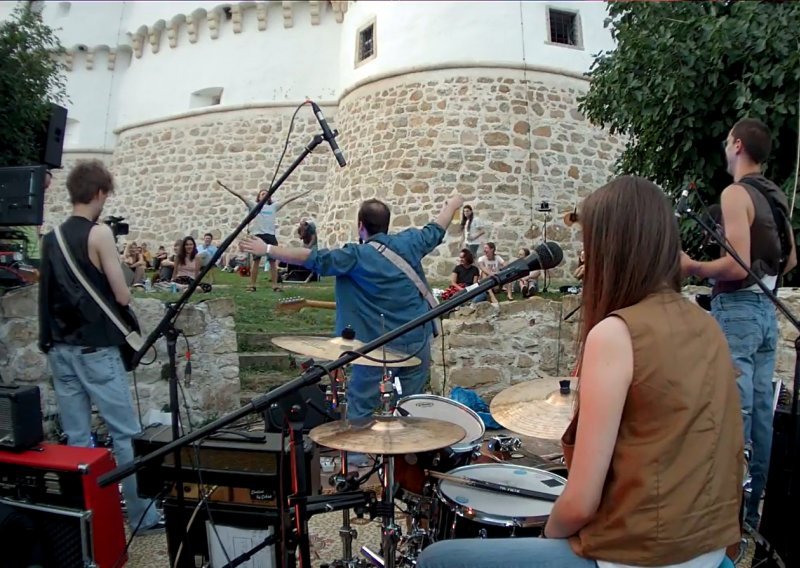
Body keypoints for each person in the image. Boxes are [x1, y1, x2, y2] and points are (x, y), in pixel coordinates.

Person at [418, 176, 744, 568]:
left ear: (612, 249)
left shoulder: (617, 333)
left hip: (646, 556)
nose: (584, 261)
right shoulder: (706, 324)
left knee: (438, 558)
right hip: (706, 548)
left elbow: (581, 503)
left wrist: (547, 534)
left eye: (590, 247)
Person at [241, 193, 464, 420]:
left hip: (378, 346)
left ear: (360, 226)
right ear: (387, 224)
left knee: (361, 409)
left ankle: (357, 456)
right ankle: (407, 454)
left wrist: (268, 249)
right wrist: (453, 204)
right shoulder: (410, 242)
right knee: (411, 408)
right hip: (417, 338)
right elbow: (436, 227)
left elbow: (312, 258)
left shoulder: (355, 256)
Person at [681, 118, 796, 529]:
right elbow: (791, 261)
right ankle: (748, 517)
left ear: (738, 145)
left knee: (735, 411)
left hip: (739, 310)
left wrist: (693, 266)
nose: (725, 146)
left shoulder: (735, 193)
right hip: (768, 310)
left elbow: (735, 265)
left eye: (727, 140)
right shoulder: (777, 197)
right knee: (762, 412)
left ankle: (724, 515)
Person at [37, 160, 162, 534]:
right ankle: (143, 517)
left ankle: (83, 519)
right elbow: (122, 295)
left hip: (60, 347)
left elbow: (47, 296)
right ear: (99, 193)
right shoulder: (100, 234)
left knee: (76, 438)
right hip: (96, 349)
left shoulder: (51, 237)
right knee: (124, 433)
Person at [221, 184, 311, 292]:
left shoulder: (273, 207)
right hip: (258, 235)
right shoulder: (254, 205)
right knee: (256, 261)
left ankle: (275, 285)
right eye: (262, 194)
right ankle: (252, 285)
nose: (264, 195)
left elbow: (288, 200)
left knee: (273, 262)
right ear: (258, 197)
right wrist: (226, 187)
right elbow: (240, 196)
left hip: (270, 236)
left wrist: (302, 193)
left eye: (266, 194)